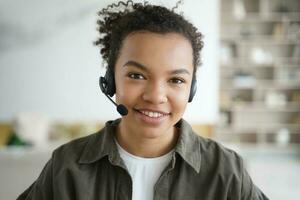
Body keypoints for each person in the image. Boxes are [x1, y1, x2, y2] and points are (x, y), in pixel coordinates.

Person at [17, 1, 269, 199]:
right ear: (110, 80)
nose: (155, 96)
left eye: (176, 80)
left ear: (191, 89)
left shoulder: (226, 170)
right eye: (137, 75)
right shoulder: (66, 166)